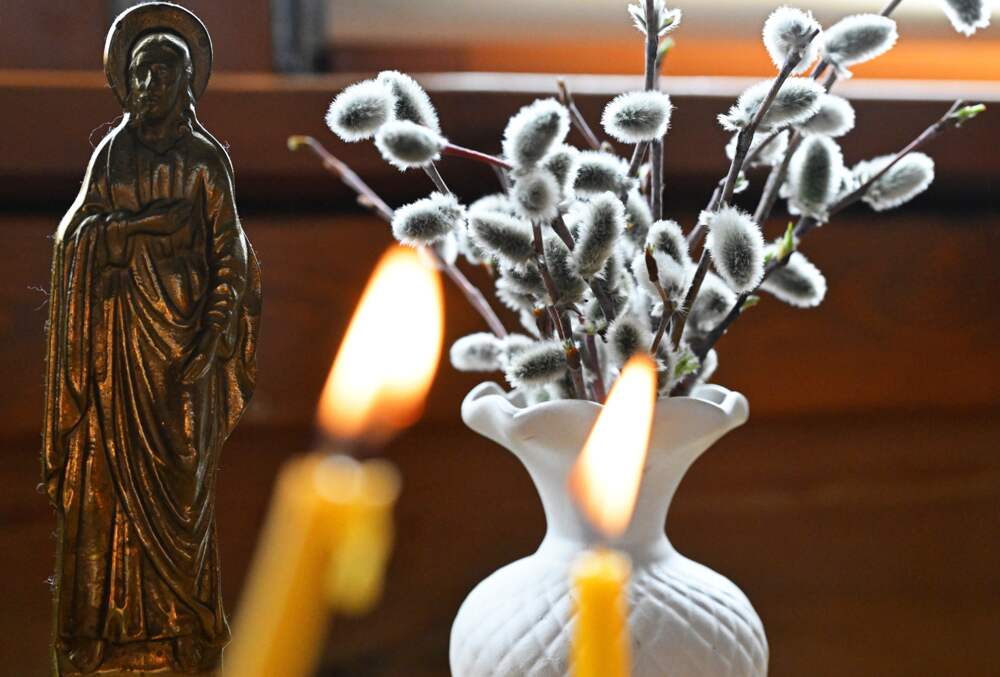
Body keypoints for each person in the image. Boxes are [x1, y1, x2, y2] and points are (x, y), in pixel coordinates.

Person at [42, 11, 260, 674]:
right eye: (139, 74)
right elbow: (74, 238)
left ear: (186, 83)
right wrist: (131, 231)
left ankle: (182, 630)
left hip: (182, 355)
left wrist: (214, 333)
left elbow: (230, 255)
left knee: (181, 492)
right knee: (107, 486)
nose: (148, 86)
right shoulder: (112, 155)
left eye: (162, 75)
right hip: (116, 345)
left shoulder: (204, 161)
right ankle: (106, 630)